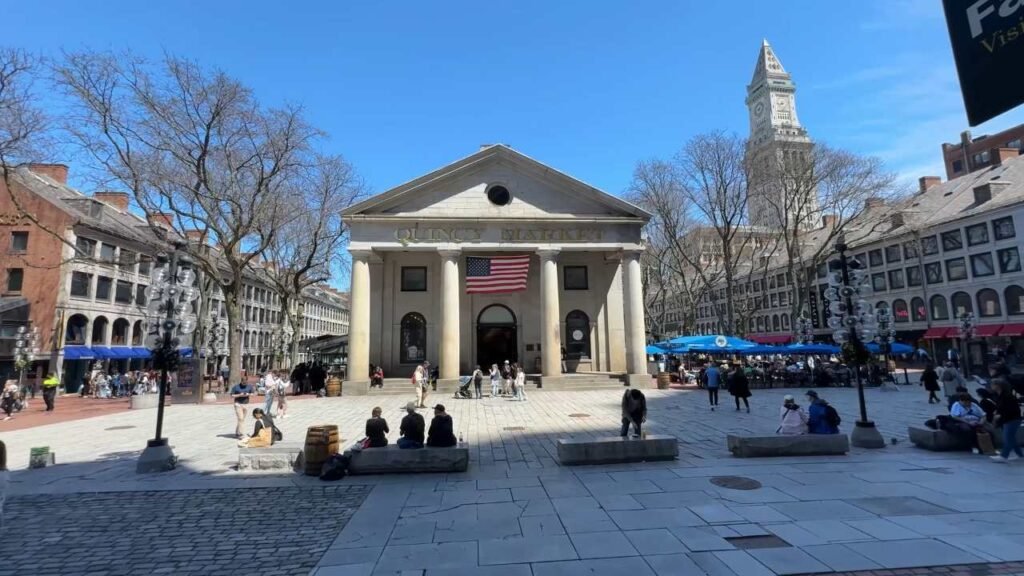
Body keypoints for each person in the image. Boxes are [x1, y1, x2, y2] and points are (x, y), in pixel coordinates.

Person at [991, 378, 1022, 463]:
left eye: (993, 384)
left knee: (1007, 438)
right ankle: (1019, 454)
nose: (991, 386)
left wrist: (999, 415)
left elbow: (1010, 409)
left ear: (998, 386)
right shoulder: (1000, 396)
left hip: (1012, 419)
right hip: (1008, 419)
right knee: (1011, 438)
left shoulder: (1007, 396)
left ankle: (1004, 456)